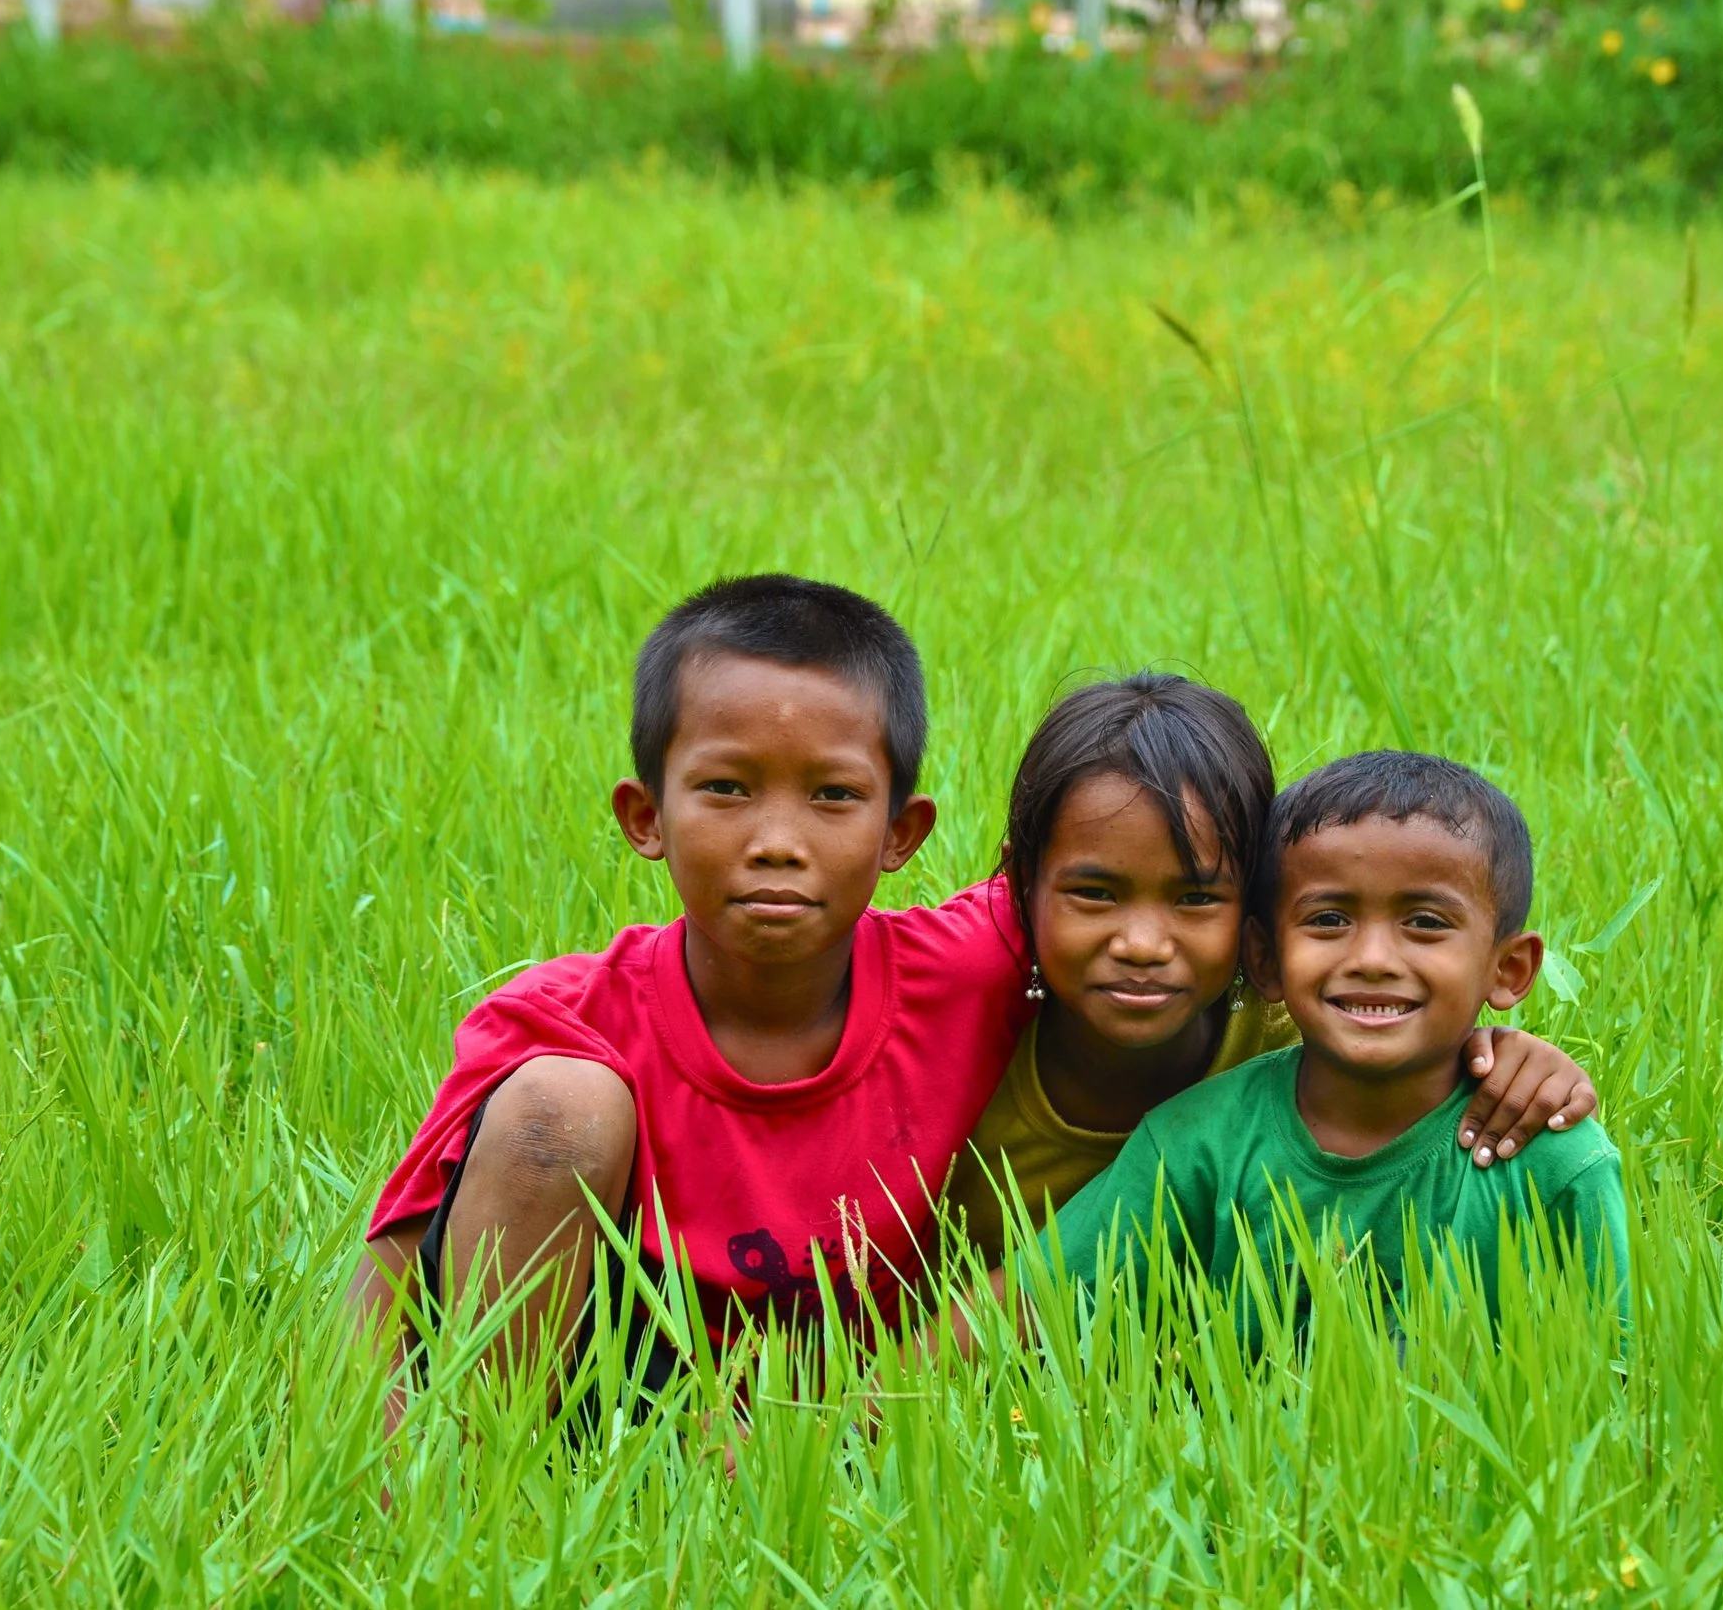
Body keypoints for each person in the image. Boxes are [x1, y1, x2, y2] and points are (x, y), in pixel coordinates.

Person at [349, 574, 1031, 1413]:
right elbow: (393, 1275)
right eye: (727, 789)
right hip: (603, 1407)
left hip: (854, 1433)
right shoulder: (563, 1017)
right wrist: (366, 1493)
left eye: (834, 796)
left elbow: (1138, 885)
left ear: (901, 831)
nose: (777, 842)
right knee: (561, 1102)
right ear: (646, 817)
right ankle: (492, 1475)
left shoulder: (973, 968)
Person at [944, 676, 1601, 1264]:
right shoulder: (953, 1024)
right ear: (1021, 883)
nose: (1142, 943)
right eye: (1095, 893)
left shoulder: (1305, 1033)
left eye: (1197, 897)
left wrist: (1513, 1063)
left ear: (1257, 922)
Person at [1020, 749, 1630, 1329]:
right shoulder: (1193, 1145)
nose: (1371, 958)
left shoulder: (1554, 1162)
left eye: (1425, 922)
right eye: (1329, 919)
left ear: (1511, 969)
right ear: (1265, 960)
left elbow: (1610, 1383)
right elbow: (1030, 1305)